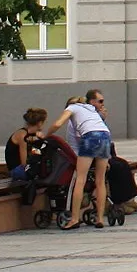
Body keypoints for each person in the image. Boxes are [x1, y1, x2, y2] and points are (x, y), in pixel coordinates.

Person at [48, 90, 113, 229]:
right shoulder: (90, 108)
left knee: (80, 179)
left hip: (90, 137)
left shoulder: (72, 108)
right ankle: (100, 218)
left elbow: (57, 124)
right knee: (100, 180)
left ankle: (74, 218)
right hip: (105, 136)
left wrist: (46, 134)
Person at [5, 107, 49, 178]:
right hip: (17, 169)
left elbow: (35, 153)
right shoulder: (22, 135)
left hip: (27, 166)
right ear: (40, 123)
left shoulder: (33, 135)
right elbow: (24, 163)